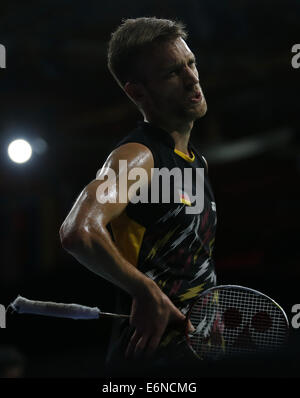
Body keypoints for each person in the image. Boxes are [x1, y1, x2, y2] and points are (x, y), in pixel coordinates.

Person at [60, 17, 217, 376]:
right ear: (137, 92)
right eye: (172, 73)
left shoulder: (196, 162)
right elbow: (78, 232)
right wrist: (145, 291)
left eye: (191, 63)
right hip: (149, 364)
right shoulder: (139, 155)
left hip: (193, 354)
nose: (193, 78)